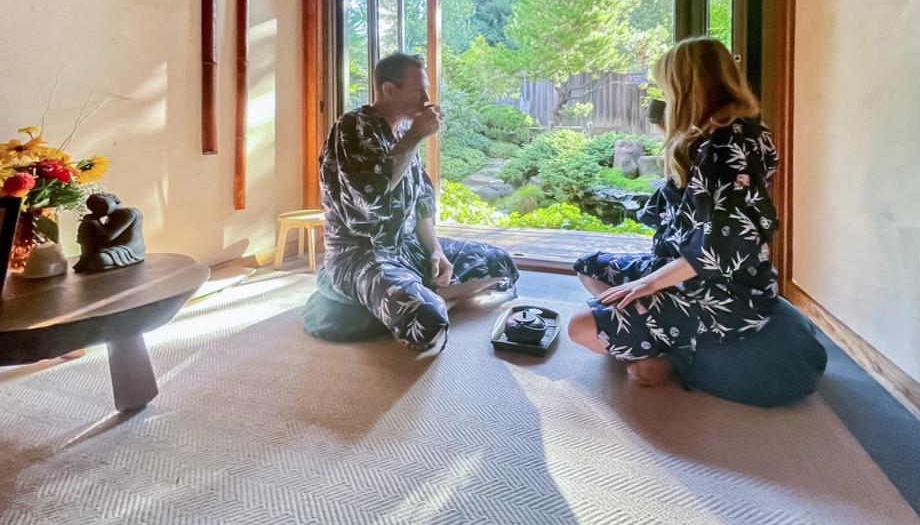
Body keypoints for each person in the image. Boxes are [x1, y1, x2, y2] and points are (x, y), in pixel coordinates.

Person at [567, 37, 780, 385]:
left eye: (666, 88)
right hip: (677, 268)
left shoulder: (726, 147)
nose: (663, 97)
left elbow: (721, 248)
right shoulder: (715, 136)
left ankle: (677, 359)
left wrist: (648, 284)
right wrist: (673, 140)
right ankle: (658, 341)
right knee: (588, 267)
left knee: (580, 328)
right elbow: (678, 210)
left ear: (686, 87)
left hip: (724, 293)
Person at [321, 52, 519, 351]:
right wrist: (415, 137)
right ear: (389, 90)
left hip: (409, 247)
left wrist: (437, 251)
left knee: (503, 266)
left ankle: (436, 294)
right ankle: (437, 300)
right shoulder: (352, 128)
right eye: (418, 90)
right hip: (363, 254)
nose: (427, 97)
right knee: (426, 320)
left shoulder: (401, 131)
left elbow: (422, 204)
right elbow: (370, 198)